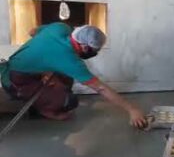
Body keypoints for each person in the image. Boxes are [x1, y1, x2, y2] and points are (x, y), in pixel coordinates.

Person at [0, 22, 147, 129]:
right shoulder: (70, 60)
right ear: (84, 47)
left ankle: (47, 91)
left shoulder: (60, 27)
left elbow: (32, 31)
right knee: (69, 102)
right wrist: (131, 109)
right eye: (94, 50)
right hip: (15, 81)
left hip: (21, 66)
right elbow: (101, 88)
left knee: (65, 78)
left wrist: (42, 60)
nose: (95, 53)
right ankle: (44, 110)